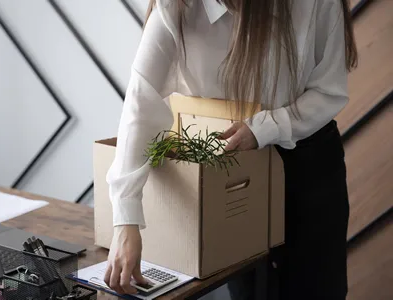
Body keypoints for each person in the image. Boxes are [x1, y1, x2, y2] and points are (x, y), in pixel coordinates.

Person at [104, 0, 358, 299]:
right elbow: (140, 105)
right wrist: (125, 220)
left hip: (307, 162)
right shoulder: (177, 6)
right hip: (231, 169)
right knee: (247, 290)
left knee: (316, 290)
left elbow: (329, 91)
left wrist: (264, 128)